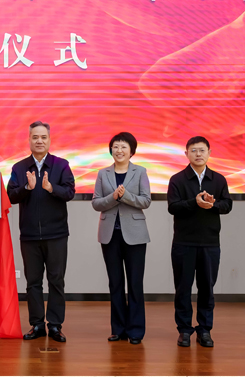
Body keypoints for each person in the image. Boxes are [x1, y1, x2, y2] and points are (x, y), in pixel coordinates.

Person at [7, 121, 75, 342]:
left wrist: (51, 188)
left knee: (56, 281)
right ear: (29, 140)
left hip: (56, 234)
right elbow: (10, 196)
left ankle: (55, 325)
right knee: (33, 282)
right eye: (35, 137)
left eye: (43, 137)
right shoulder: (19, 168)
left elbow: (70, 192)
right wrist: (27, 188)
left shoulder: (61, 165)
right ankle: (37, 324)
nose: (39, 141)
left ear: (49, 140)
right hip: (29, 236)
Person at [167, 136, 232, 348]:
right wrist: (193, 202)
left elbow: (227, 205)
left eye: (202, 150)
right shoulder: (177, 179)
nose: (198, 154)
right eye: (193, 150)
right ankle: (184, 330)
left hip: (210, 243)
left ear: (209, 153)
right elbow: (173, 207)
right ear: (186, 154)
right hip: (183, 243)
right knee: (183, 289)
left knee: (207, 289)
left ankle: (204, 330)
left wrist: (213, 205)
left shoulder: (219, 179)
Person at [91, 132, 151, 345]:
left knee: (135, 283)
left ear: (131, 151)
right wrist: (114, 197)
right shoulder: (103, 173)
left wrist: (125, 196)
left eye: (124, 147)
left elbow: (145, 201)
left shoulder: (140, 171)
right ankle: (118, 329)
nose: (119, 150)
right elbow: (96, 203)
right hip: (110, 235)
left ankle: (135, 331)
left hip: (135, 235)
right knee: (115, 283)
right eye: (115, 147)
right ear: (111, 150)